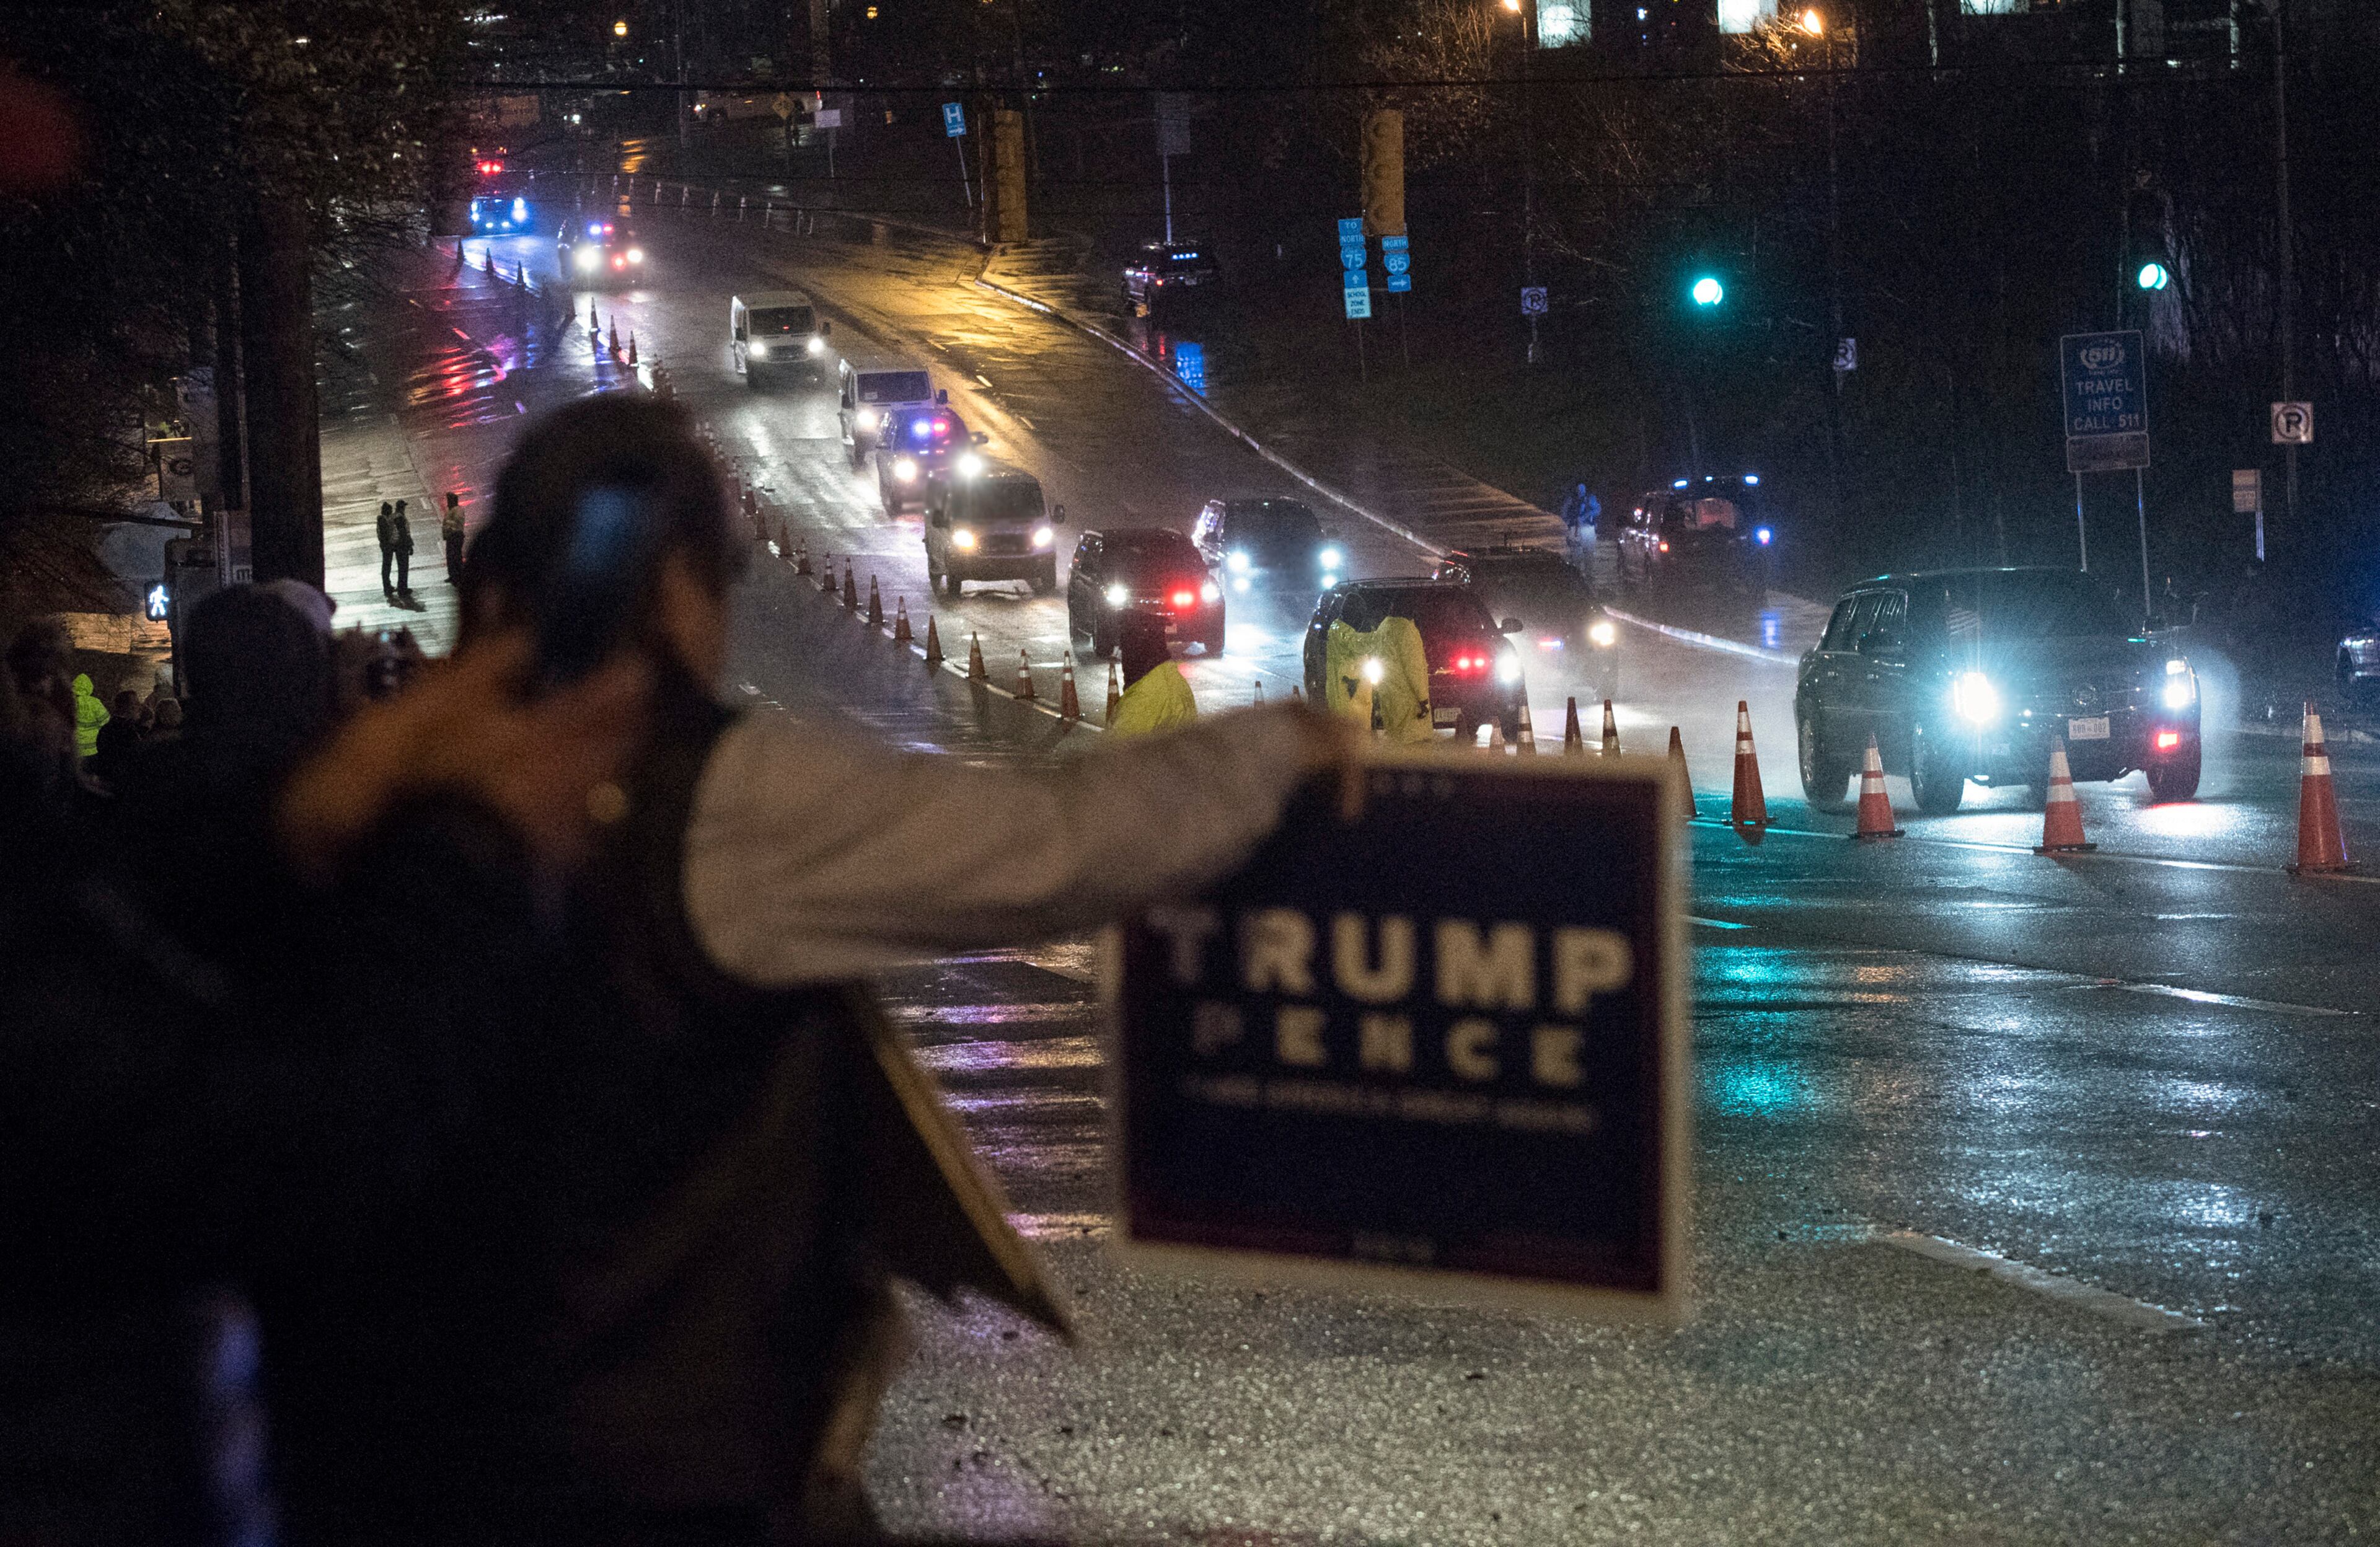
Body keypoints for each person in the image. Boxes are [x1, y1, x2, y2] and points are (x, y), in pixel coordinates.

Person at [250, 392, 1364, 1544]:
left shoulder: (372, 784)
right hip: (663, 1465)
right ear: (682, 590)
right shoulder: (716, 799)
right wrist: (1276, 749)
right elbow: (1051, 847)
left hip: (411, 1461)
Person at [1322, 593, 1434, 744]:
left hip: (1355, 697)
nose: (1360, 621)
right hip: (1349, 699)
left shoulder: (1341, 629)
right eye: (1358, 615)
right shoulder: (1341, 632)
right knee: (1355, 742)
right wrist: (1423, 700)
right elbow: (1413, 670)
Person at [1106, 614, 1196, 738]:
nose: (1124, 660)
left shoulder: (1143, 699)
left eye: (1126, 651)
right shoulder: (1174, 680)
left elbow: (1116, 749)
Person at [90, 687, 144, 785]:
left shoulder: (108, 729)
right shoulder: (125, 731)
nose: (139, 707)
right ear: (126, 707)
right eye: (135, 704)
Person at [70, 671, 108, 762]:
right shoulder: (94, 703)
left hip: (74, 749)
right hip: (93, 749)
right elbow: (106, 722)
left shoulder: (68, 702)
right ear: (89, 687)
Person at [390, 499, 415, 601]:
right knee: (404, 567)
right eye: (404, 507)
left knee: (402, 567)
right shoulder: (399, 517)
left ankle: (403, 587)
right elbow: (403, 533)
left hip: (397, 545)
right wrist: (409, 545)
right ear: (402, 508)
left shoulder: (394, 516)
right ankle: (403, 589)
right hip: (402, 545)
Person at [442, 491, 467, 584]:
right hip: (450, 536)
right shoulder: (450, 510)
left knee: (456, 556)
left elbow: (458, 523)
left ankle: (459, 575)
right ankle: (452, 575)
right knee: (450, 557)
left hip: (456, 536)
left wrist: (448, 523)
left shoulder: (458, 510)